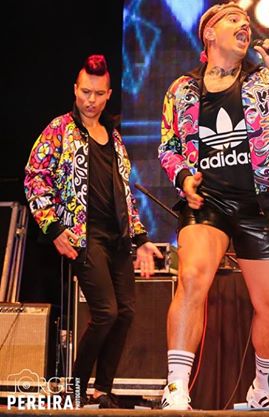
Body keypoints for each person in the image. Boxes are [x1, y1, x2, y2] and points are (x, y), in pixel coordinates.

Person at [158, 1, 269, 410]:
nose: (244, 25)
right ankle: (176, 386)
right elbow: (169, 148)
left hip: (258, 203)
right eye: (233, 19)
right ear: (210, 33)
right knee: (192, 277)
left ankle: (261, 389)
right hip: (207, 200)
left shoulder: (264, 80)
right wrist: (183, 177)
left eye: (246, 21)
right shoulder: (182, 90)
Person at [24, 54, 163, 408]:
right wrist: (53, 227)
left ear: (108, 95)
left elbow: (125, 195)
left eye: (99, 94)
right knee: (105, 313)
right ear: (75, 89)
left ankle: (102, 390)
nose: (91, 100)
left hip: (117, 238)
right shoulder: (59, 129)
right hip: (84, 237)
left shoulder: (114, 138)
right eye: (86, 92)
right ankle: (73, 390)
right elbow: (34, 177)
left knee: (126, 312)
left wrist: (141, 239)